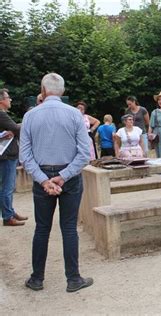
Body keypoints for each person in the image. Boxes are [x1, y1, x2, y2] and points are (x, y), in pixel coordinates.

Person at [19, 73, 93, 292]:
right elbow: (84, 154)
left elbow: (25, 156)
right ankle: (73, 279)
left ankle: (37, 278)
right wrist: (64, 175)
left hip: (42, 173)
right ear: (62, 90)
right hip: (69, 175)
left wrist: (43, 180)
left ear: (43, 90)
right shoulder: (74, 114)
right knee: (69, 227)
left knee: (42, 228)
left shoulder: (30, 116)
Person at [0, 88, 28, 226]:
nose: (10, 99)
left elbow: (14, 129)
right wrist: (23, 124)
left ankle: (10, 211)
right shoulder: (1, 115)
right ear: (1, 101)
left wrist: (13, 129)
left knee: (8, 186)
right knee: (7, 186)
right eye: (8, 97)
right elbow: (17, 129)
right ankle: (8, 216)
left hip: (7, 155)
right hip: (7, 156)